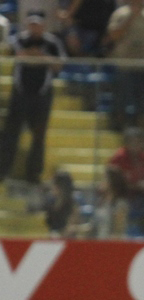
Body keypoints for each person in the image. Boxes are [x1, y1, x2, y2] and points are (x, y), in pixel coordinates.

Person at [0, 11, 65, 187]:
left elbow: (59, 65)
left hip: (42, 95)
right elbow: (13, 54)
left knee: (38, 137)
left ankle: (33, 175)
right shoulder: (19, 39)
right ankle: (3, 172)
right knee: (11, 135)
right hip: (20, 93)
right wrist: (31, 54)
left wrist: (40, 56)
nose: (34, 28)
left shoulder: (52, 42)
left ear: (43, 25)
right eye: (31, 24)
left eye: (38, 24)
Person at [106, 0, 144, 130]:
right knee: (121, 104)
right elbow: (113, 35)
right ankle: (120, 132)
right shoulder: (120, 14)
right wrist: (131, 17)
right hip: (126, 66)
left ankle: (141, 138)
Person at [107, 127, 144, 234]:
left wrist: (141, 185)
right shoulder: (119, 158)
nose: (136, 145)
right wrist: (138, 184)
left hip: (141, 196)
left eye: (139, 142)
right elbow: (118, 182)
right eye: (132, 141)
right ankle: (119, 234)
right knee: (121, 206)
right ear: (126, 142)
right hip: (122, 196)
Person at [91, 166, 130, 238]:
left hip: (111, 243)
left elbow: (119, 230)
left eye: (104, 179)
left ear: (112, 182)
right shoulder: (101, 202)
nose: (101, 182)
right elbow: (93, 226)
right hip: (97, 242)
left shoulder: (120, 204)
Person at [43, 170, 79, 237]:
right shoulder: (50, 203)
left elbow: (71, 227)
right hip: (51, 238)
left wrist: (59, 235)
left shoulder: (71, 205)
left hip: (65, 240)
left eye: (54, 184)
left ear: (61, 187)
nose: (52, 187)